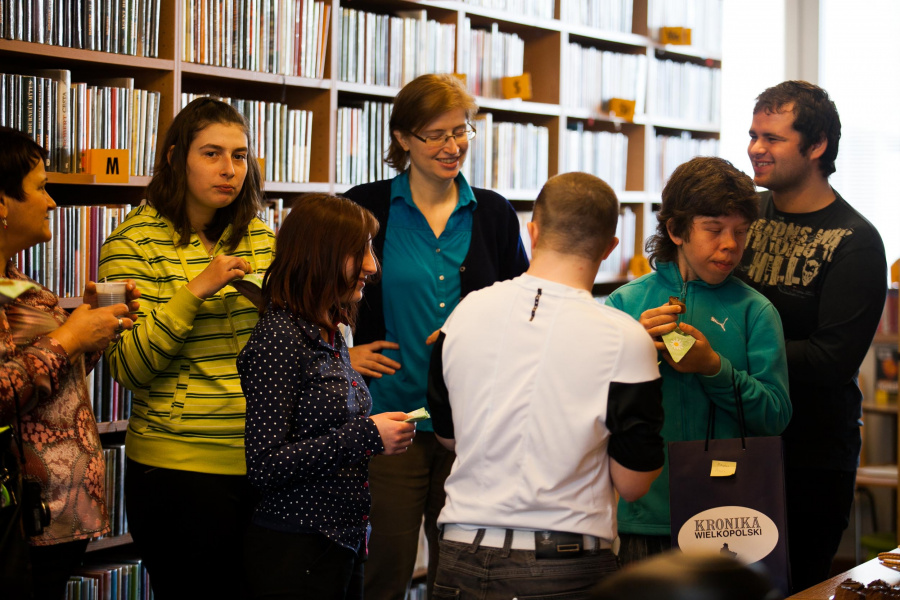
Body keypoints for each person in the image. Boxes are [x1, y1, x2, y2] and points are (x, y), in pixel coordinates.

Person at [427, 172, 665, 598]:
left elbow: (448, 437)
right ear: (610, 247)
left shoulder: (463, 314)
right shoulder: (627, 338)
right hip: (563, 561)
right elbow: (633, 484)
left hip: (459, 554)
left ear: (532, 232)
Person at [341, 73, 529, 599]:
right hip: (387, 420)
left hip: (473, 424)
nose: (453, 146)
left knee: (464, 574)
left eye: (461, 130)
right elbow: (312, 295)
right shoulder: (363, 207)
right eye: (436, 134)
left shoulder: (493, 213)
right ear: (403, 138)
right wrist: (342, 356)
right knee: (384, 572)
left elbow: (522, 304)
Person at [98, 97, 276, 599]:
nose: (229, 169)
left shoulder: (261, 237)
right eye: (212, 153)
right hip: (178, 468)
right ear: (176, 158)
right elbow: (128, 367)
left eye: (239, 156)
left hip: (264, 460)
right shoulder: (130, 243)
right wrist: (196, 290)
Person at [737, 81, 887, 591]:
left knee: (796, 588)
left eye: (773, 138)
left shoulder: (855, 241)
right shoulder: (741, 215)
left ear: (817, 144)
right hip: (731, 443)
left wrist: (724, 355)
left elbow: (830, 361)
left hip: (810, 460)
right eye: (753, 135)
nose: (756, 149)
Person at [606, 156, 792, 564]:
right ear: (676, 230)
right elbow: (591, 410)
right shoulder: (624, 304)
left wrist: (714, 369)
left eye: (741, 231)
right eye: (714, 229)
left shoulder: (755, 311)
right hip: (645, 517)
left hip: (731, 518)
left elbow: (775, 415)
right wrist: (632, 350)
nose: (730, 245)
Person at [237, 193, 417, 600]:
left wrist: (377, 435)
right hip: (298, 547)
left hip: (341, 541)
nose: (372, 266)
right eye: (360, 252)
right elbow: (264, 465)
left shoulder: (330, 330)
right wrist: (368, 435)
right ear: (321, 255)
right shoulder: (280, 337)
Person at [0, 126, 138, 598]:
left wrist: (92, 330)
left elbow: (50, 384)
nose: (52, 202)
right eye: (41, 187)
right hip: (19, 523)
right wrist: (69, 337)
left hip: (56, 518)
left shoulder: (17, 282)